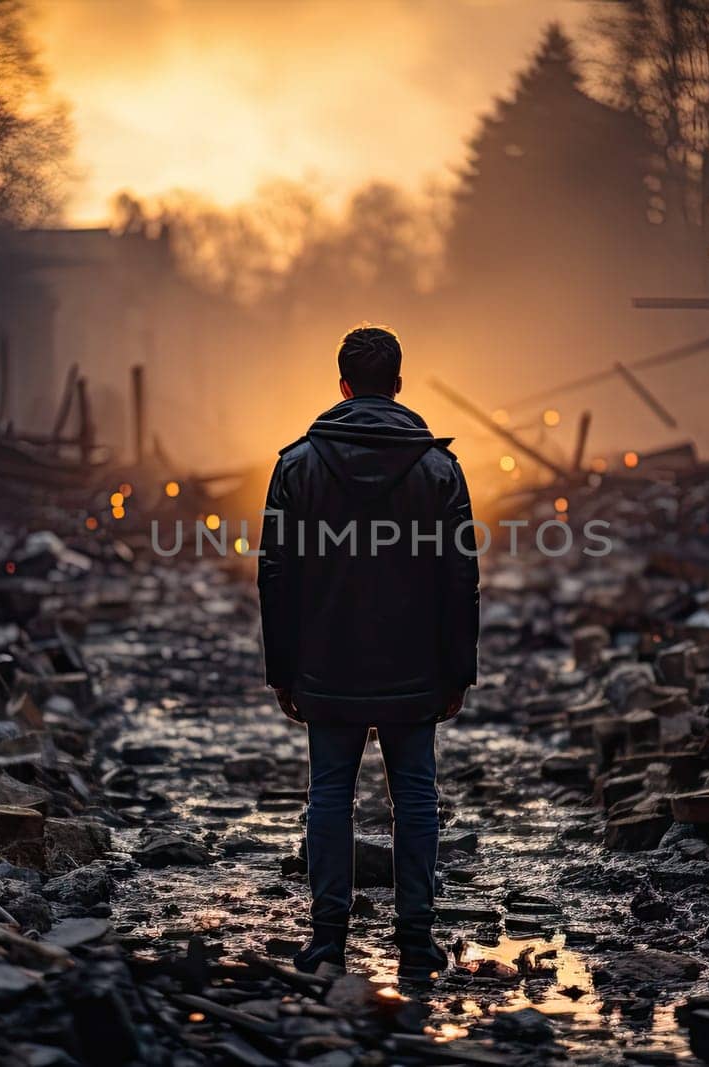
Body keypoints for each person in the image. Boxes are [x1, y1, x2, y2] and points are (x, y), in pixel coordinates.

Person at [257, 324, 480, 982]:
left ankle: (327, 941)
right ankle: (416, 941)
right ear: (399, 384)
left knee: (330, 793)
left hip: (327, 663)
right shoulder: (440, 468)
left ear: (344, 385)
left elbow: (275, 573)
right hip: (415, 666)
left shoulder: (296, 464)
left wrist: (283, 670)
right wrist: (457, 668)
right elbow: (460, 576)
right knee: (415, 795)